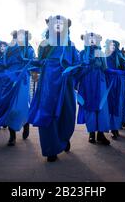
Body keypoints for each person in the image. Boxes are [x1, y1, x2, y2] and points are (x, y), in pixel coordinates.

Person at [28, 15, 79, 162]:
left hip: (65, 82)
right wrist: (29, 63)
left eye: (60, 23)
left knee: (67, 113)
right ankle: (51, 149)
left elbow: (77, 63)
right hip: (48, 84)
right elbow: (39, 62)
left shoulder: (70, 45)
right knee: (47, 113)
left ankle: (63, 139)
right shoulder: (44, 44)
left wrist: (72, 69)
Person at [0, 30, 34, 146]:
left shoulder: (28, 49)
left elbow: (33, 62)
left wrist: (25, 61)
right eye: (18, 36)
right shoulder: (9, 49)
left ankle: (25, 123)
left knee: (20, 105)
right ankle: (12, 136)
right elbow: (2, 63)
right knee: (8, 105)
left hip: (22, 79)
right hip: (8, 80)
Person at [76, 33, 111, 145]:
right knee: (89, 107)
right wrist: (87, 66)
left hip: (99, 82)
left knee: (101, 107)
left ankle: (101, 134)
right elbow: (78, 68)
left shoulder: (100, 53)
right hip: (87, 83)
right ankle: (91, 133)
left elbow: (105, 68)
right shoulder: (82, 53)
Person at [104, 40, 125, 138]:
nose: (113, 47)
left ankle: (115, 128)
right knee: (108, 105)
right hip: (107, 83)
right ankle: (109, 127)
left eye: (115, 46)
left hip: (117, 83)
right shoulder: (104, 56)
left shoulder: (119, 57)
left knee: (116, 105)